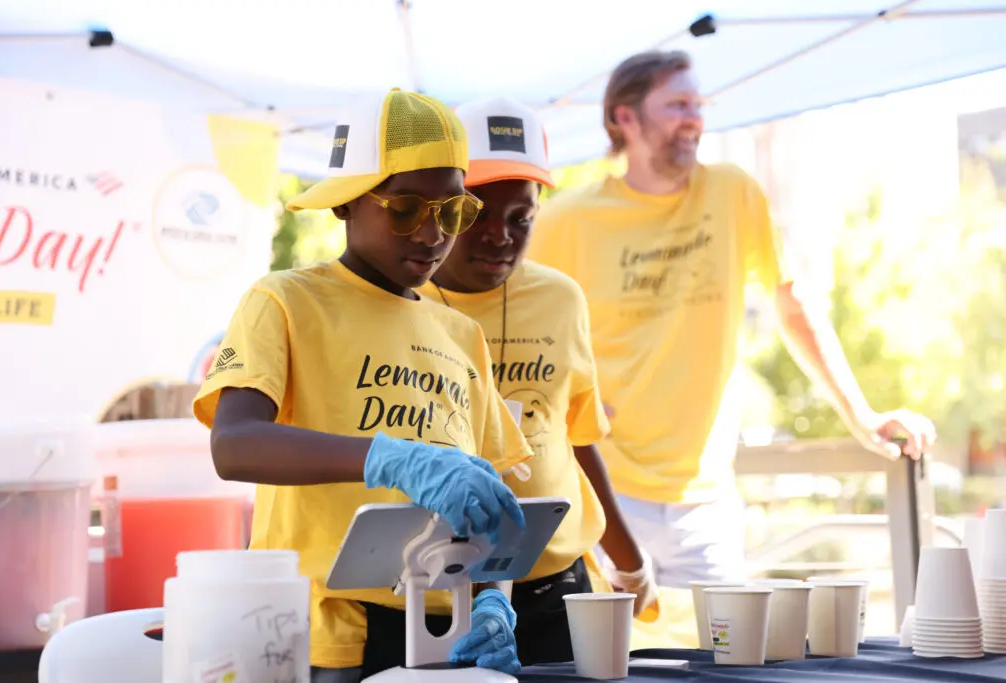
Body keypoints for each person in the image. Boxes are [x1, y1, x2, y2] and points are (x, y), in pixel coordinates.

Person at [526, 50, 937, 639]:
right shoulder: (567, 219)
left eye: (698, 105)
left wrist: (862, 416)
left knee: (728, 660)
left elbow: (792, 304)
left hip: (707, 501)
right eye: (676, 106)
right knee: (612, 667)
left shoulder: (733, 192)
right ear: (626, 118)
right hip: (606, 497)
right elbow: (517, 322)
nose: (694, 118)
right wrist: (562, 402)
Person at [193, 88, 533, 682]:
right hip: (323, 634)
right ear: (346, 204)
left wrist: (493, 597)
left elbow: (489, 501)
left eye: (453, 211)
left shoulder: (461, 334)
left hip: (445, 636)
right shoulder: (285, 300)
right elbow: (233, 444)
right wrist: (389, 456)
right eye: (406, 208)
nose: (433, 235)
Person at [419, 96, 659, 666]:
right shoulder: (403, 303)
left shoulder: (559, 298)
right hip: (438, 592)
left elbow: (575, 438)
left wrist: (628, 559)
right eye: (477, 214)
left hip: (553, 584)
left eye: (521, 218)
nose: (500, 236)